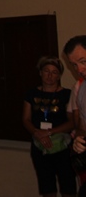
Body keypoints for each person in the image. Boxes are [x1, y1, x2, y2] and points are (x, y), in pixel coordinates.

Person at [23, 56, 76, 197]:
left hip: (62, 145)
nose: (50, 75)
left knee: (68, 186)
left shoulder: (67, 94)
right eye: (46, 71)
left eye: (54, 72)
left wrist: (49, 132)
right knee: (47, 186)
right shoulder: (31, 94)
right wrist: (37, 133)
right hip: (40, 144)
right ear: (40, 72)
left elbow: (72, 122)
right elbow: (26, 119)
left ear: (59, 75)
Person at [65, 36, 86, 196]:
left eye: (83, 61)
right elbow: (83, 127)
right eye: (74, 64)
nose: (79, 70)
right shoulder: (82, 89)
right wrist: (80, 140)